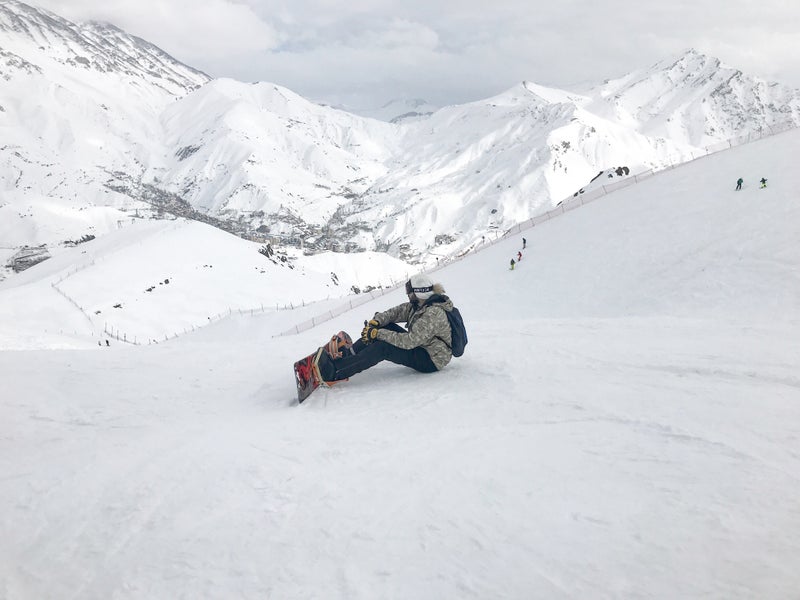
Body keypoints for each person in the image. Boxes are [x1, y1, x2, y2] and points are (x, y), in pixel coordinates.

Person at [316, 274, 455, 383]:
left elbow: (410, 341)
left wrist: (377, 333)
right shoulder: (420, 305)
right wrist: (376, 323)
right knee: (383, 327)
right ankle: (349, 355)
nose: (408, 294)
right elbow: (396, 312)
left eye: (410, 291)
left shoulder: (433, 313)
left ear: (419, 292)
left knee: (383, 348)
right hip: (423, 346)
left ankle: (335, 371)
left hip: (431, 359)